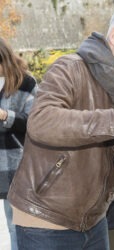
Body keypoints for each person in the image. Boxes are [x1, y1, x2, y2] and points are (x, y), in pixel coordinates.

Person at [7, 3, 114, 249]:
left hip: (94, 222)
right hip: (45, 220)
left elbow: (110, 163)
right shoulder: (70, 69)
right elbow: (41, 122)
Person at [0, 37, 37, 250]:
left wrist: (6, 115)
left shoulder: (26, 83)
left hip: (16, 166)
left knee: (17, 226)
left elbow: (36, 123)